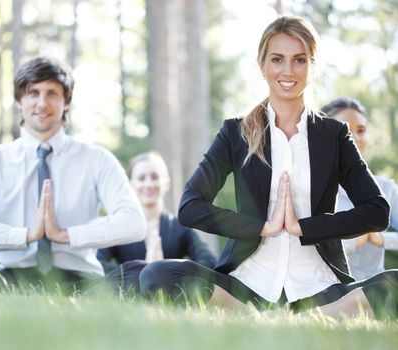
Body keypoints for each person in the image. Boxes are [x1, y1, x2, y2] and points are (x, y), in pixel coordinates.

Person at [139, 15, 398, 320]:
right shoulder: (235, 133)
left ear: (312, 67)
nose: (288, 70)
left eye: (299, 60)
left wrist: (306, 228)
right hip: (246, 283)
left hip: (319, 285)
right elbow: (190, 206)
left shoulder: (335, 135)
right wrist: (262, 228)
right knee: (156, 275)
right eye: (277, 59)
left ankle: (309, 319)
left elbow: (377, 211)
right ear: (262, 65)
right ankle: (254, 318)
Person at [0, 57, 145, 292]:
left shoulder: (97, 159)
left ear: (66, 102)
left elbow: (134, 223)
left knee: (143, 272)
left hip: (82, 281)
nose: (42, 103)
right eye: (33, 93)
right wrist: (25, 235)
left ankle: (80, 296)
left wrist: (66, 235)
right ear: (19, 101)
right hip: (11, 279)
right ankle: (7, 293)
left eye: (52, 94)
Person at [97, 152, 215, 293]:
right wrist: (140, 270)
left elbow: (208, 261)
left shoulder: (181, 228)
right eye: (141, 178)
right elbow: (98, 263)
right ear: (129, 184)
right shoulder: (118, 226)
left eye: (154, 177)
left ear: (166, 183)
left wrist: (168, 269)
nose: (148, 184)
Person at [321, 97, 398, 280]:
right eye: (343, 130)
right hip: (326, 287)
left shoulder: (386, 188)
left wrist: (382, 239)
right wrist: (354, 240)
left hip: (376, 288)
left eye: (361, 130)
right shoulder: (312, 189)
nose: (354, 138)